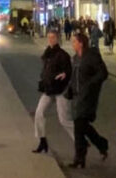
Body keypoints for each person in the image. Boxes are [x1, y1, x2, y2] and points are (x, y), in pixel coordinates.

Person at [67, 31, 109, 168]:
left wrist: (90, 84)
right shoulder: (75, 58)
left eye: (74, 42)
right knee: (81, 126)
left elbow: (103, 73)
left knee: (79, 125)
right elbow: (74, 77)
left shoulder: (92, 56)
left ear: (81, 43)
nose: (72, 44)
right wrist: (70, 89)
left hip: (88, 96)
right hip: (77, 96)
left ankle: (79, 157)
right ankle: (101, 144)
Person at [33, 28, 74, 153]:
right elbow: (46, 71)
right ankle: (42, 141)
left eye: (53, 38)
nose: (50, 40)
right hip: (49, 89)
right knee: (39, 113)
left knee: (64, 120)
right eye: (49, 37)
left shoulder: (63, 55)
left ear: (58, 39)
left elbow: (69, 71)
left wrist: (65, 74)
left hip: (60, 90)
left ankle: (79, 141)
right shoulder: (47, 53)